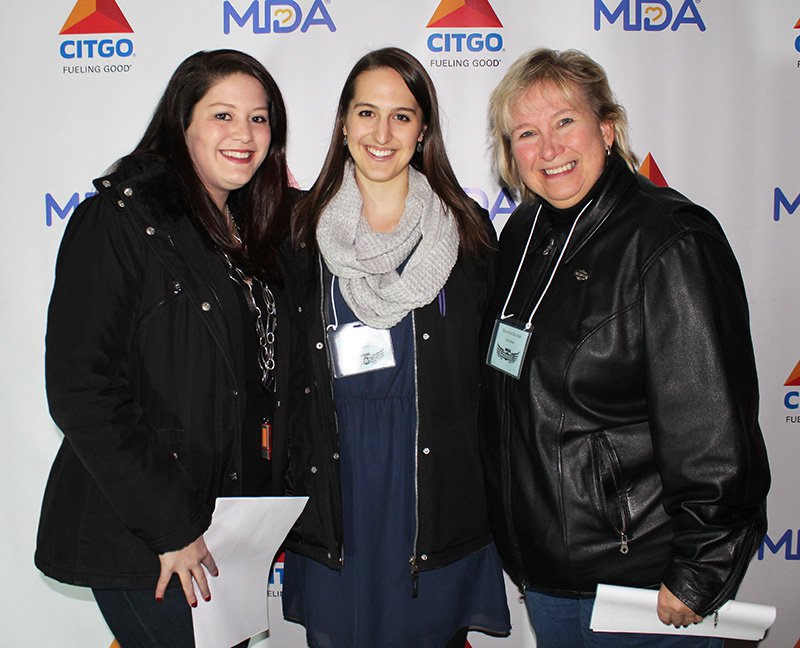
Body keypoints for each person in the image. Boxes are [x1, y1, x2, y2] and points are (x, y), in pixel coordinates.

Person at [481, 48, 771, 648]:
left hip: (643, 589)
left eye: (565, 122)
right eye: (526, 134)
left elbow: (714, 428)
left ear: (607, 129)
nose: (549, 148)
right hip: (552, 578)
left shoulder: (668, 241)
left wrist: (698, 573)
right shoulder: (522, 235)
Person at [35, 49, 300, 648]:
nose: (244, 134)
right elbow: (82, 391)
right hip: (148, 539)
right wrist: (170, 528)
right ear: (182, 125)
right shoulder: (120, 222)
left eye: (259, 119)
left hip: (218, 532)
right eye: (222, 116)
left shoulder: (249, 232)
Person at [282, 47, 511, 648]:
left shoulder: (468, 231)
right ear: (343, 123)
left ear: (424, 129)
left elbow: (495, 367)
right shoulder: (297, 232)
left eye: (402, 116)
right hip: (337, 492)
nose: (382, 134)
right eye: (366, 113)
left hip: (432, 488)